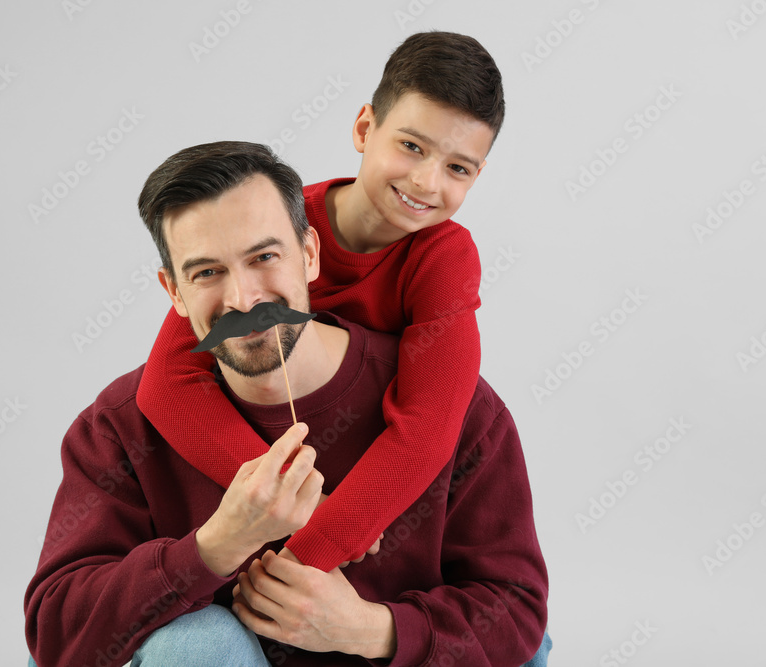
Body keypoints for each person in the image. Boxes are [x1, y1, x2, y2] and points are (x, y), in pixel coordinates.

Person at [24, 142, 550, 665]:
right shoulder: (119, 427)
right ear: (174, 292)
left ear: (310, 255)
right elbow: (55, 638)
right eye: (207, 272)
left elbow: (518, 611)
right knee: (197, 644)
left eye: (264, 257)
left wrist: (372, 629)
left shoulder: (458, 407)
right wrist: (213, 547)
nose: (244, 299)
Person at [137, 30, 507, 573]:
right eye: (411, 146)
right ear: (364, 128)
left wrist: (312, 552)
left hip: (401, 556)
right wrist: (292, 503)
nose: (427, 182)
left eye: (458, 168)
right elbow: (167, 385)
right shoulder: (272, 232)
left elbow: (426, 430)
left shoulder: (444, 257)